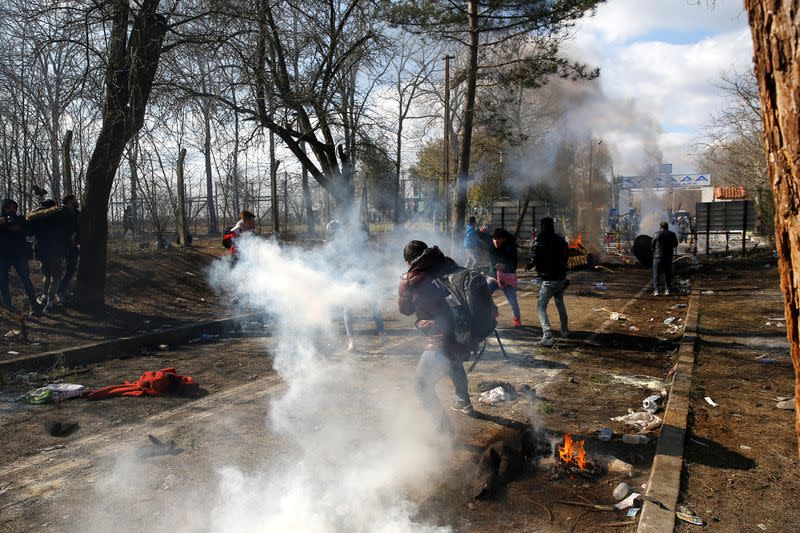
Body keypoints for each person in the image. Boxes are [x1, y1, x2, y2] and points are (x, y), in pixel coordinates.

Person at [399, 240, 473, 435]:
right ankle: (463, 402)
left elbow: (405, 310)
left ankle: (444, 433)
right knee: (454, 363)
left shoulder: (410, 279)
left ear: (409, 261)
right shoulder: (447, 264)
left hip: (442, 336)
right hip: (463, 332)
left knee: (421, 384)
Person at [326, 219, 385, 352]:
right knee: (350, 308)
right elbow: (330, 268)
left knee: (371, 302)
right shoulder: (332, 246)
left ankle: (380, 333)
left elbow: (362, 255)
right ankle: (353, 340)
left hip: (359, 275)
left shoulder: (348, 242)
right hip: (348, 278)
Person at [528, 217, 569, 347]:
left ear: (542, 226)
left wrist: (530, 264)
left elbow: (535, 256)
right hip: (561, 277)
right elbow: (566, 254)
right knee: (560, 303)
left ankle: (548, 336)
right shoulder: (559, 239)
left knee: (541, 307)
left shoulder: (542, 239)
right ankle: (565, 331)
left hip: (549, 279)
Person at [27, 199, 71, 313]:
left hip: (41, 252)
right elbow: (67, 231)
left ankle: (44, 296)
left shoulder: (35, 217)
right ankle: (50, 303)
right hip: (56, 251)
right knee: (56, 277)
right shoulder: (59, 216)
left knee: (46, 275)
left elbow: (30, 233)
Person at [0, 199, 41, 316]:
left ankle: (33, 306)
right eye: (8, 207)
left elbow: (31, 231)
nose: (11, 210)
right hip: (2, 256)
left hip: (19, 255)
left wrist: (21, 228)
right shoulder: (1, 220)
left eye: (14, 207)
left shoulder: (21, 219)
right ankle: (9, 307)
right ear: (3, 209)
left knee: (26, 280)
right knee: (2, 282)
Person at [486, 228, 521, 327]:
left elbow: (514, 266)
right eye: (494, 239)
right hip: (494, 276)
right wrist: (495, 266)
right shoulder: (491, 247)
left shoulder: (510, 248)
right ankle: (493, 308)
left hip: (507, 278)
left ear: (504, 239)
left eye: (498, 239)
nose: (496, 241)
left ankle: (517, 319)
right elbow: (492, 261)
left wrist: (505, 266)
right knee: (485, 294)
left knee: (513, 301)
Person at [56, 194, 80, 303]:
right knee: (62, 270)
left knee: (71, 269)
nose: (76, 200)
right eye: (74, 199)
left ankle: (63, 289)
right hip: (63, 246)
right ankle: (58, 292)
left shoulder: (76, 212)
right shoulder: (61, 212)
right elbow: (60, 229)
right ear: (69, 200)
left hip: (74, 246)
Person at [652, 221, 679, 296]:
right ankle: (667, 290)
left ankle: (656, 291)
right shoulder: (672, 234)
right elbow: (675, 244)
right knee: (667, 273)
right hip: (668, 256)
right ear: (667, 227)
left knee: (656, 273)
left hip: (657, 257)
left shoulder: (656, 234)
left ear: (660, 227)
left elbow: (652, 245)